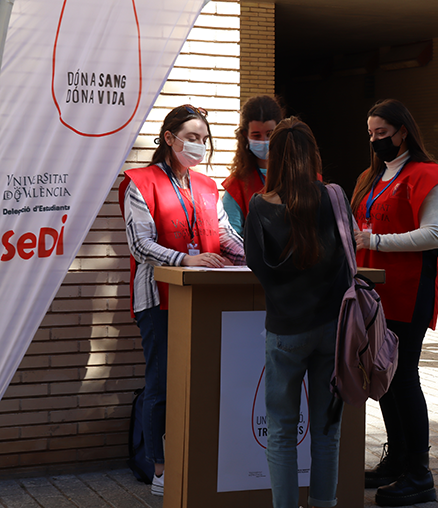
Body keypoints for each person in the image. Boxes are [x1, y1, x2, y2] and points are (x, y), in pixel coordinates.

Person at [119, 105, 246, 496]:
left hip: (203, 298)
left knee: (205, 381)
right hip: (158, 299)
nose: (199, 146)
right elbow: (140, 244)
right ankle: (160, 467)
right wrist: (185, 259)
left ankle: (200, 456)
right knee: (162, 383)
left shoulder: (208, 186)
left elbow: (223, 235)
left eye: (204, 139)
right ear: (169, 138)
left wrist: (256, 259)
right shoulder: (140, 181)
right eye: (192, 137)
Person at [352, 99, 438, 506]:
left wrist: (377, 242)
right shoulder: (370, 176)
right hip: (372, 292)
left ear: (403, 132)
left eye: (382, 133)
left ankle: (420, 472)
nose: (375, 141)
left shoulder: (428, 176)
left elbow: (433, 234)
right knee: (383, 379)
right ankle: (396, 460)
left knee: (403, 377)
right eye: (370, 134)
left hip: (408, 291)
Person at [244, 118, 351, 508]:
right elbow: (346, 257)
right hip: (331, 330)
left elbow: (255, 262)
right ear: (313, 156)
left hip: (285, 330)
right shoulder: (334, 197)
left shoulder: (259, 205)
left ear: (273, 158)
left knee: (281, 432)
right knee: (327, 429)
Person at [222, 95, 284, 235]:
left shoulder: (303, 176)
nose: (264, 140)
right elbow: (231, 237)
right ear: (245, 135)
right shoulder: (236, 185)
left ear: (281, 131)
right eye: (256, 135)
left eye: (270, 134)